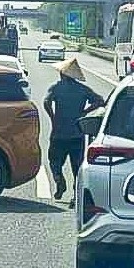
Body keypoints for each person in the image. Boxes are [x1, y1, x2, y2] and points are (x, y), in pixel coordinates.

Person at [43, 58, 104, 207]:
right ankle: (75, 197)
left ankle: (59, 179)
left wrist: (52, 117)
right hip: (77, 133)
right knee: (77, 167)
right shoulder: (82, 89)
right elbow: (100, 101)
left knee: (54, 161)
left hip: (59, 133)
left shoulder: (56, 87)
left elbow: (46, 101)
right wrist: (84, 112)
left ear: (63, 74)